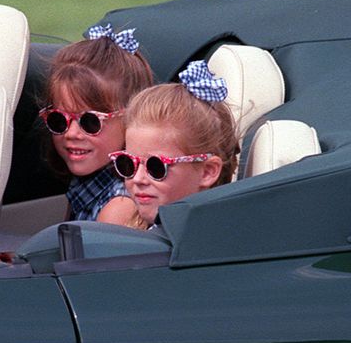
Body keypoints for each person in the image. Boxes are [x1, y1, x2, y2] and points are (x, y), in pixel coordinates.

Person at [41, 23, 154, 225]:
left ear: (131, 120)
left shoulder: (119, 208)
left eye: (90, 122)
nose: (71, 133)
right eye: (58, 120)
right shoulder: (90, 186)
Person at [110, 60, 239, 229]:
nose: (138, 178)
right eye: (127, 164)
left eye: (156, 167)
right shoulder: (133, 228)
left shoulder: (206, 244)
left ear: (207, 172)